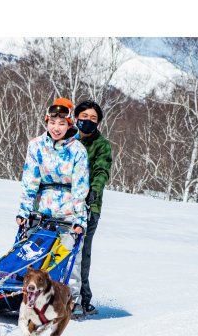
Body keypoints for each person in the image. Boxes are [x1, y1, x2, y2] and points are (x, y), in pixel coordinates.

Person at [16, 97, 90, 306]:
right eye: (52, 123)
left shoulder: (78, 150)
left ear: (69, 124)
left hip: (68, 210)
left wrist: (79, 218)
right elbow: (30, 180)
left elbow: (80, 186)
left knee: (68, 259)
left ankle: (70, 301)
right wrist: (24, 211)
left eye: (62, 123)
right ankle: (26, 295)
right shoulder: (36, 146)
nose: (56, 128)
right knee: (31, 255)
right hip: (42, 209)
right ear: (46, 121)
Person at [73, 99, 111, 318]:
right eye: (84, 117)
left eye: (93, 119)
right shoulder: (68, 138)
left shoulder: (101, 144)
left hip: (89, 205)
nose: (88, 121)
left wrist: (94, 190)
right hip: (63, 203)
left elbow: (101, 170)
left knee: (80, 251)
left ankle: (83, 299)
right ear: (76, 117)